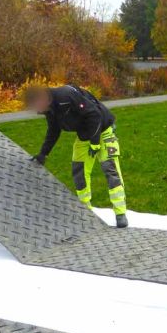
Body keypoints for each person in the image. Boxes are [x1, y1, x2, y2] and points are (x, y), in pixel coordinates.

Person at [25, 84, 128, 228]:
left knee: (110, 169)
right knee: (79, 171)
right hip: (84, 136)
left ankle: (120, 212)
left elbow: (94, 115)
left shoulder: (66, 96)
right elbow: (53, 130)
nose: (36, 110)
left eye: (36, 105)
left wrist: (95, 142)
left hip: (103, 131)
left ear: (43, 98)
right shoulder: (50, 109)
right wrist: (44, 153)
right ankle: (86, 212)